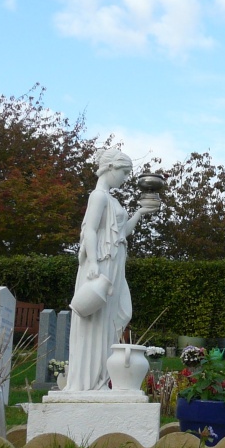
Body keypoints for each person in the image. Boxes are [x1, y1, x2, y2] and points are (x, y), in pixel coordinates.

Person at [63, 148, 156, 392]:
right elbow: (90, 230)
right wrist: (92, 262)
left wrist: (139, 213)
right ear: (111, 168)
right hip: (101, 265)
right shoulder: (99, 197)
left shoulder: (111, 199)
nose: (125, 178)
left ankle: (101, 379)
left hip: (114, 263)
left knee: (117, 316)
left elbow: (121, 232)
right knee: (96, 323)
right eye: (124, 172)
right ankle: (91, 383)